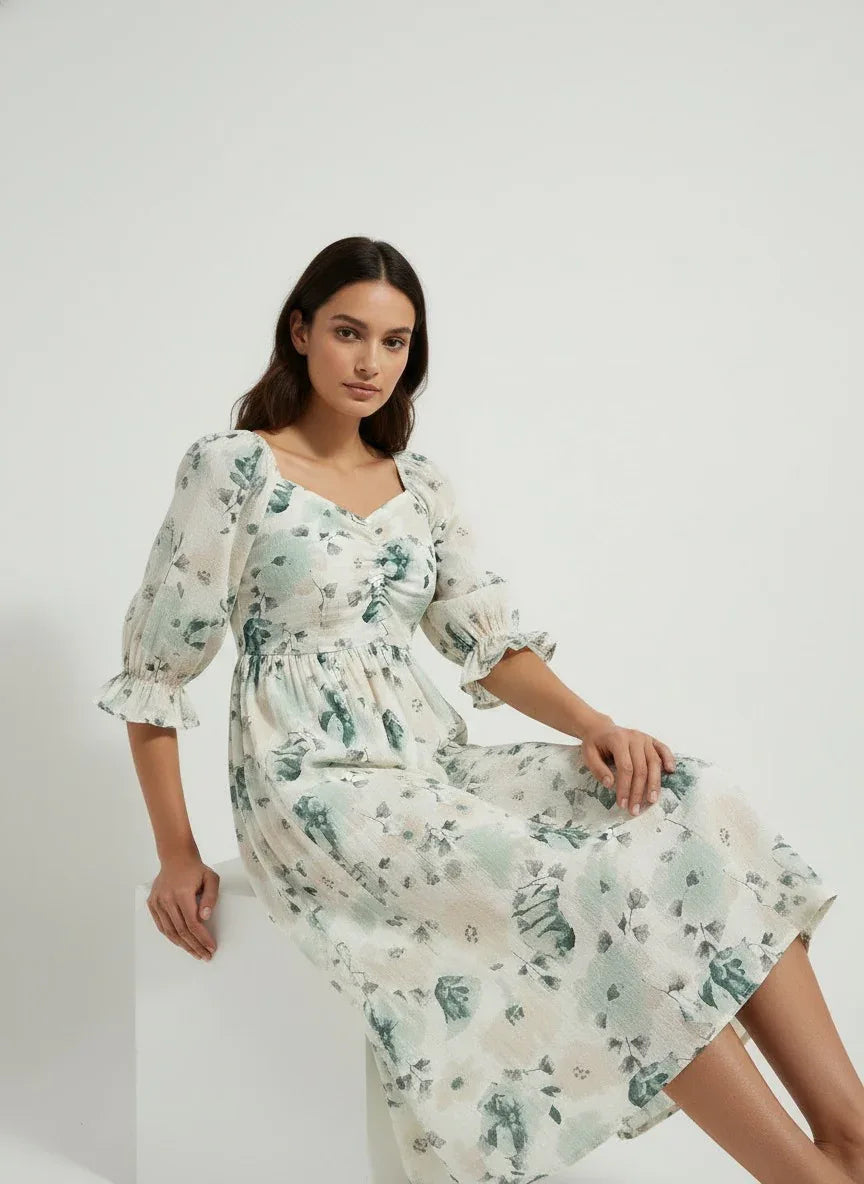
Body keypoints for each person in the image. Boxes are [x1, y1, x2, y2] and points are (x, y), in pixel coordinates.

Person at [93, 236, 859, 1184]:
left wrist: (597, 726)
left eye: (396, 341)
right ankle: (804, 1176)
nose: (371, 361)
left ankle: (852, 1134)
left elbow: (486, 646)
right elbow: (156, 669)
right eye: (347, 332)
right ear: (299, 333)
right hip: (316, 795)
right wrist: (175, 849)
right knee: (582, 887)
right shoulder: (231, 471)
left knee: (690, 801)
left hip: (430, 766)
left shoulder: (422, 487)